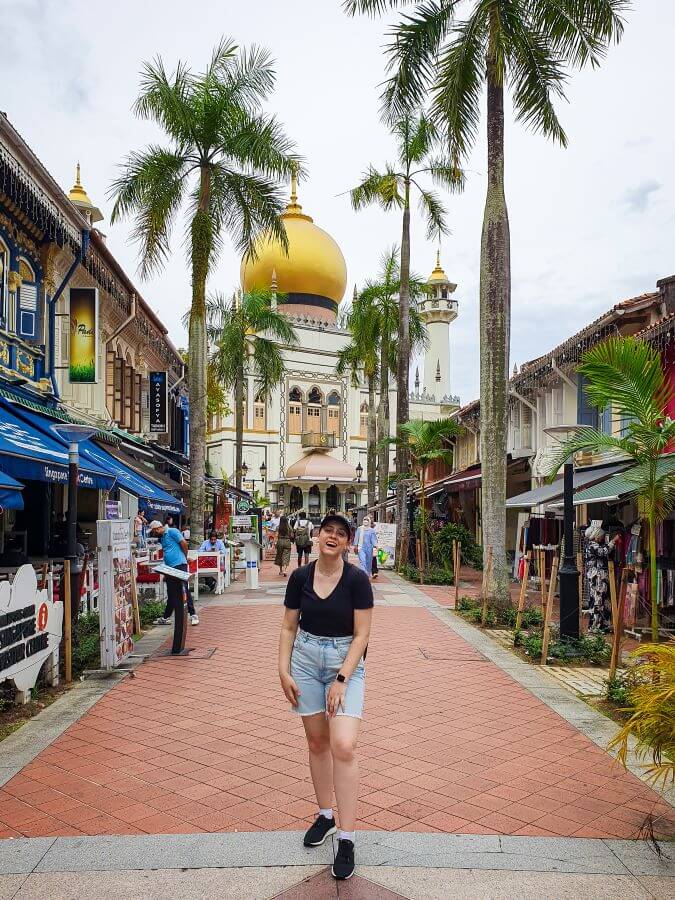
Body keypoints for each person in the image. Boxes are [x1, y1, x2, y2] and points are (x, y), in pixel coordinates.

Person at [278, 513, 374, 881]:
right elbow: (289, 625)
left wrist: (341, 679)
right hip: (304, 659)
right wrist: (282, 670)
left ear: (348, 542)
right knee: (317, 742)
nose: (332, 537)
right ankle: (325, 816)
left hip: (344, 662)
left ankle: (347, 838)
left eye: (341, 533)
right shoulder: (301, 577)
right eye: (327, 531)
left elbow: (362, 635)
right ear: (317, 536)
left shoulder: (357, 580)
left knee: (344, 745)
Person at [149, 520, 199, 626]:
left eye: (154, 532)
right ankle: (166, 617)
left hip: (179, 564)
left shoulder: (172, 531)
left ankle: (193, 614)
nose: (153, 534)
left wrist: (184, 558)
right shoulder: (162, 538)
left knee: (184, 589)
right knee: (171, 592)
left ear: (157, 528)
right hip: (169, 568)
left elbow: (184, 543)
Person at [584, 525, 617, 631]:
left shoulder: (592, 545)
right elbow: (603, 552)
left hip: (599, 578)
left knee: (602, 600)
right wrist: (613, 541)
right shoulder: (593, 546)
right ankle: (596, 626)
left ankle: (602, 624)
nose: (602, 538)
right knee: (598, 600)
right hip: (597, 578)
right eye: (601, 536)